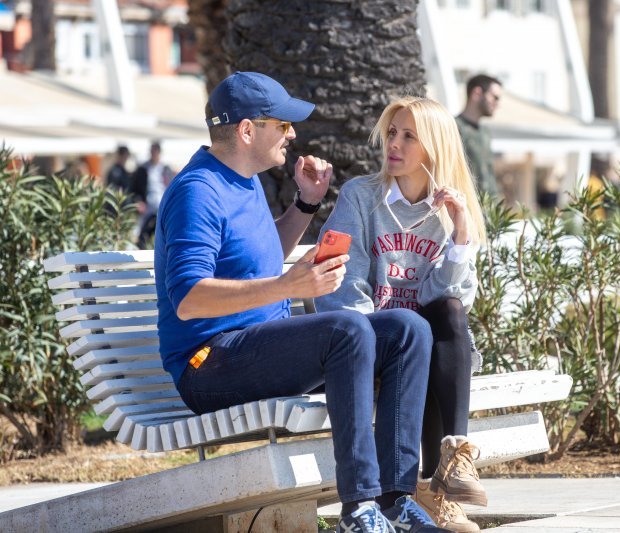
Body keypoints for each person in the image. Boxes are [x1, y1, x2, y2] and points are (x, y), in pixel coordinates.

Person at [154, 72, 447, 532]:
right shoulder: (198, 192)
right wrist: (290, 287)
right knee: (345, 329)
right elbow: (188, 299)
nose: (292, 133)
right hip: (208, 364)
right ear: (248, 130)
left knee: (408, 329)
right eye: (282, 124)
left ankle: (395, 499)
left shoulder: (242, 179)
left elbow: (256, 255)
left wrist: (305, 206)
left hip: (256, 349)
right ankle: (360, 509)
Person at [316, 96, 488, 532]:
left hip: (420, 347)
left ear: (434, 147)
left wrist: (461, 235)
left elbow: (453, 301)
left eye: (409, 136)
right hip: (371, 340)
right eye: (392, 133)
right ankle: (431, 495)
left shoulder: (449, 211)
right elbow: (343, 282)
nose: (394, 144)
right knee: (414, 341)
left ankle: (450, 470)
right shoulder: (362, 197)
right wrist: (365, 351)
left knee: (443, 318)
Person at [455, 74, 502, 196]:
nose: (498, 104)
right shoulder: (453, 127)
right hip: (466, 207)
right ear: (477, 93)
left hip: (490, 209)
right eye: (495, 97)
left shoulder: (485, 132)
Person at [132, 141, 174, 248]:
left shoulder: (165, 169)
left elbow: (170, 186)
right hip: (148, 207)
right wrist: (139, 201)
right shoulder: (143, 169)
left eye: (155, 152)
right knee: (143, 234)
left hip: (162, 205)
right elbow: (135, 188)